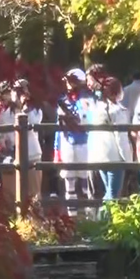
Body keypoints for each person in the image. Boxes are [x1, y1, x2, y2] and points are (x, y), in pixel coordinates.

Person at [55, 68, 96, 212]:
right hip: (67, 143)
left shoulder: (88, 99)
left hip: (85, 143)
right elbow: (57, 128)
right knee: (69, 179)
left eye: (71, 80)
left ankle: (87, 215)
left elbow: (90, 121)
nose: (68, 83)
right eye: (67, 80)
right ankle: (71, 216)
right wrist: (57, 149)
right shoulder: (62, 101)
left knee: (86, 179)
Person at [87, 77, 133, 203]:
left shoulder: (97, 108)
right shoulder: (117, 110)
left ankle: (104, 219)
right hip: (114, 156)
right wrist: (128, 159)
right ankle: (106, 219)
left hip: (99, 155)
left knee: (108, 191)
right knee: (113, 194)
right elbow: (121, 137)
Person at [15, 80, 43, 203]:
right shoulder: (10, 109)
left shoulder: (34, 110)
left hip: (32, 152)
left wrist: (25, 106)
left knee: (34, 192)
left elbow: (33, 121)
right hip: (16, 155)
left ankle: (36, 219)